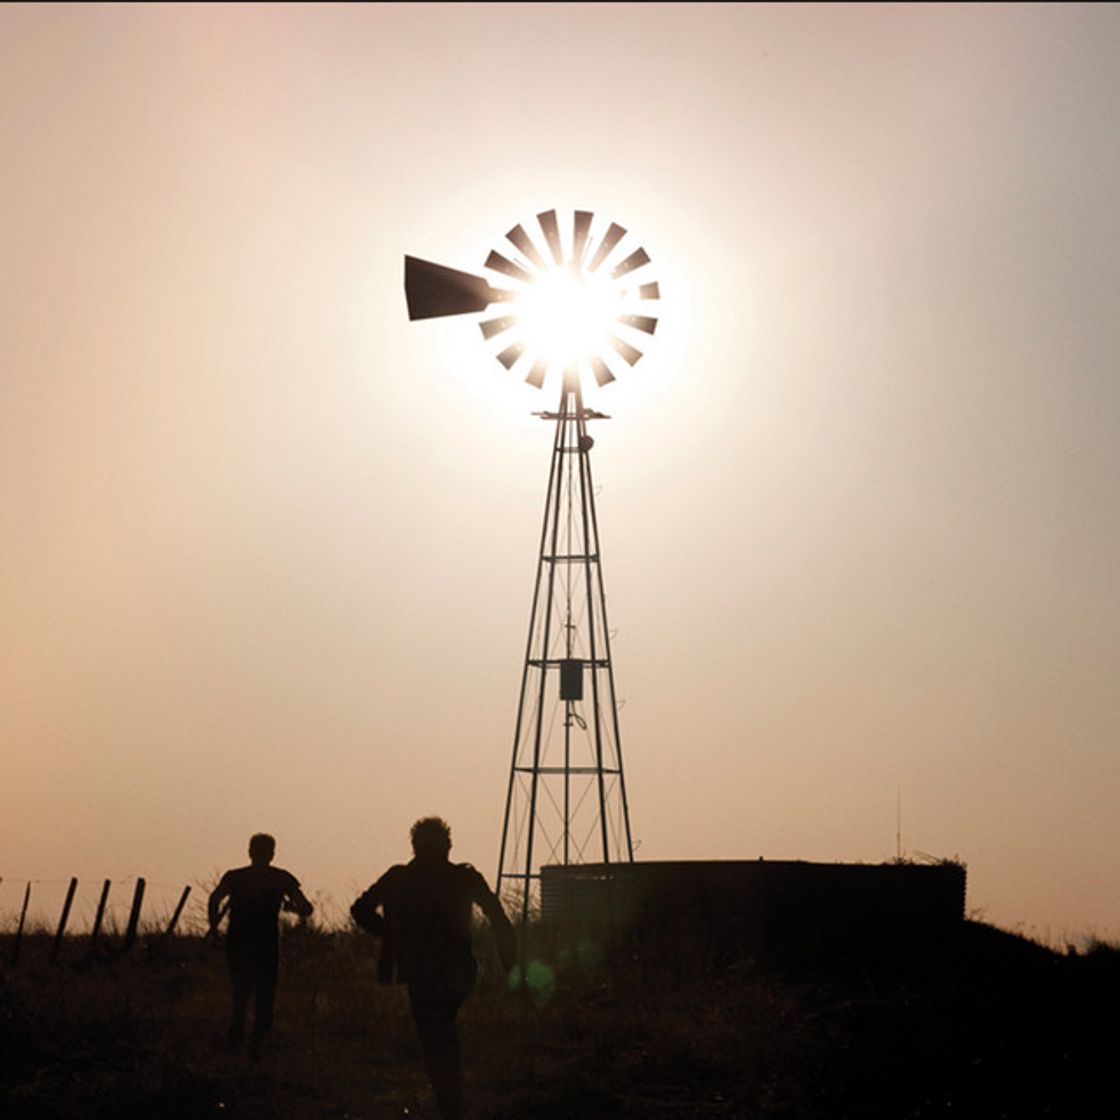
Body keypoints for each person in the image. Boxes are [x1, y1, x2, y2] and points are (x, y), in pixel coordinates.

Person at [351, 817, 516, 1120]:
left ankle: (450, 1102)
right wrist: (512, 965)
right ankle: (452, 1100)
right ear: (447, 846)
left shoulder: (400, 878)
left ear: (415, 846)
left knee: (434, 1034)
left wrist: (389, 932)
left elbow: (360, 910)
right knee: (441, 1029)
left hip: (421, 970)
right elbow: (498, 917)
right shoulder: (463, 877)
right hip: (457, 970)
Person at [208, 832, 313, 1057]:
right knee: (265, 993)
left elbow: (214, 899)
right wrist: (291, 908)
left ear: (249, 852)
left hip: (238, 941)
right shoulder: (281, 878)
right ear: (272, 854)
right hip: (267, 943)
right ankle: (259, 1044)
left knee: (240, 992)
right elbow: (307, 908)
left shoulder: (235, 877)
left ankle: (236, 1040)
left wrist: (214, 929)